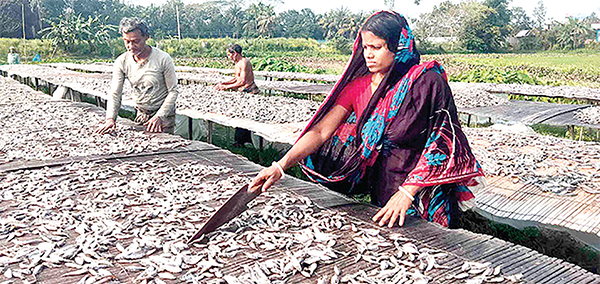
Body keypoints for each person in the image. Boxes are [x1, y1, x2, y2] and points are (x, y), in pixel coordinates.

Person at [249, 11, 485, 229]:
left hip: (424, 196)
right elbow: (321, 131)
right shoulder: (358, 87)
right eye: (365, 47)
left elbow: (444, 140)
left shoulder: (427, 82)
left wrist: (408, 192)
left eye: (377, 47)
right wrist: (280, 166)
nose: (368, 54)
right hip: (384, 192)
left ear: (398, 45)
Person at [94, 17, 178, 135]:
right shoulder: (122, 61)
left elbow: (173, 91)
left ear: (146, 37)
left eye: (136, 41)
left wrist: (160, 116)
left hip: (163, 116)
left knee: (165, 148)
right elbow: (115, 93)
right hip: (141, 114)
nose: (131, 46)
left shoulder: (163, 59)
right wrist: (110, 119)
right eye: (126, 41)